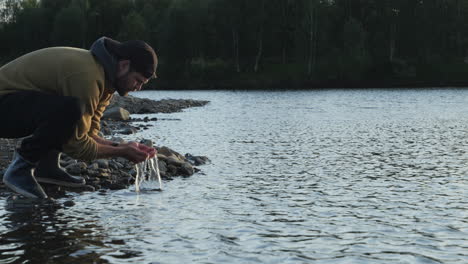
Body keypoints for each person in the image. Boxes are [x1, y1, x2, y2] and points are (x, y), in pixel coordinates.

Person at [0, 36, 158, 199]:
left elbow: (88, 132)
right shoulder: (87, 76)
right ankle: (20, 170)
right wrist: (121, 152)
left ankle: (46, 168)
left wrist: (123, 145)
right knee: (70, 109)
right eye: (138, 80)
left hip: (14, 105)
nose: (138, 88)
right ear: (124, 65)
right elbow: (77, 146)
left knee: (68, 110)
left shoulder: (105, 79)